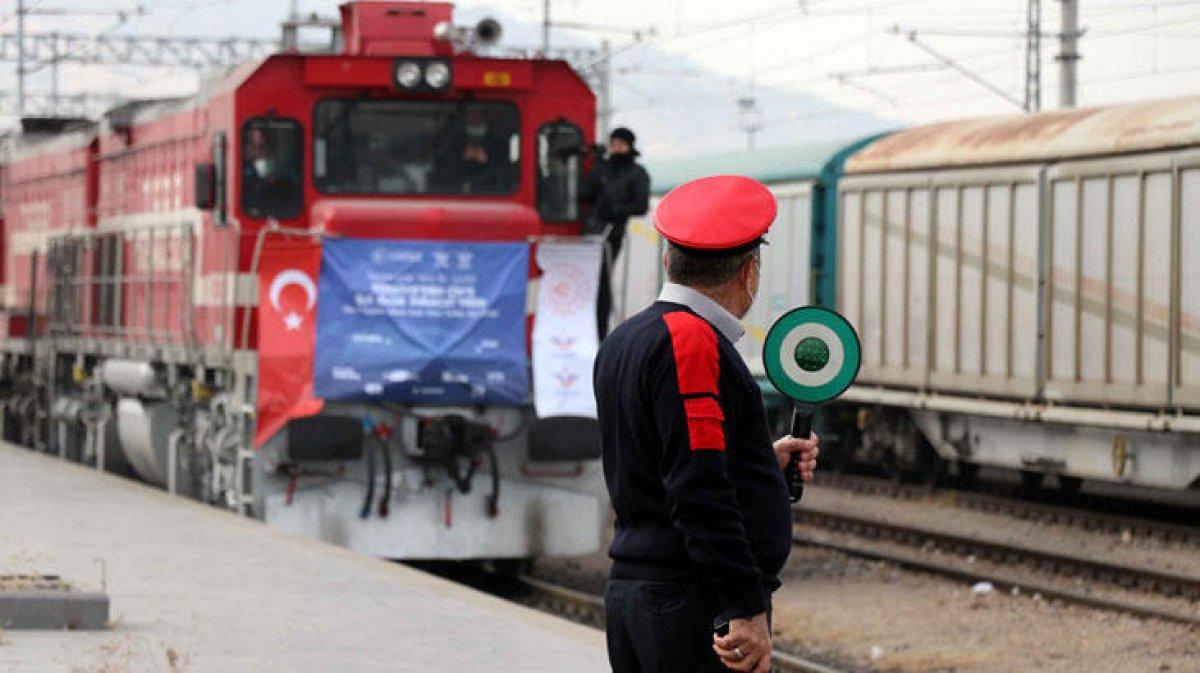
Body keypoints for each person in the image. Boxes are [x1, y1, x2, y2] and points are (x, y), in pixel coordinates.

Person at [593, 175, 820, 673]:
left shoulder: (626, 339)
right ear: (750, 271)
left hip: (640, 593)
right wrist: (744, 606)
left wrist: (760, 459)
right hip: (688, 602)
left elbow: (656, 461)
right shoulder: (689, 342)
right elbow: (697, 488)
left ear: (667, 259)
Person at [581, 127, 650, 338]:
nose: (616, 148)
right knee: (586, 279)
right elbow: (585, 192)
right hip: (593, 230)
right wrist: (596, 165)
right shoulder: (604, 169)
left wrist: (616, 210)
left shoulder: (637, 173)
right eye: (614, 144)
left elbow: (641, 205)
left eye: (620, 144)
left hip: (613, 232)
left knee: (603, 282)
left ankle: (600, 331)